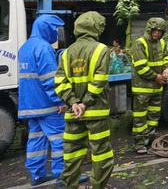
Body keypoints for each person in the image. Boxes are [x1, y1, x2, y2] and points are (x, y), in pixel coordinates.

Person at [18, 15, 88, 187]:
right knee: (60, 140)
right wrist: (61, 101)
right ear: (46, 29)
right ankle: (64, 177)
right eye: (54, 30)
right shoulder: (43, 48)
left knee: (36, 139)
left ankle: (37, 175)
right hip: (47, 105)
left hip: (30, 105)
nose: (56, 34)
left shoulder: (25, 47)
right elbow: (50, 80)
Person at [54, 11, 114, 189]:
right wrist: (85, 102)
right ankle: (98, 186)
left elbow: (59, 82)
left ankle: (71, 185)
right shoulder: (101, 49)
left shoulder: (66, 53)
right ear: (96, 28)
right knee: (100, 153)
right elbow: (100, 80)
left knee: (72, 152)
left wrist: (73, 103)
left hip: (74, 113)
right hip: (96, 111)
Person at [131, 18, 168, 154]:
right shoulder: (139, 44)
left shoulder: (161, 42)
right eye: (155, 30)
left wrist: (166, 69)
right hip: (142, 87)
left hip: (157, 87)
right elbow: (141, 67)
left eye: (160, 31)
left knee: (154, 115)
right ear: (149, 29)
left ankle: (150, 140)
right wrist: (156, 77)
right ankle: (139, 143)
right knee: (140, 117)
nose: (157, 33)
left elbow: (167, 57)